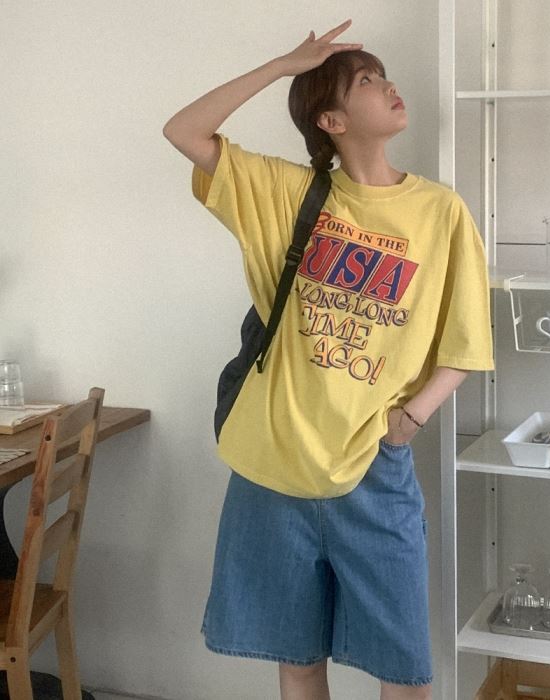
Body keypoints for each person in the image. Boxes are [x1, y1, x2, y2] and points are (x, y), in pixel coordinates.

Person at [163, 19, 494, 700]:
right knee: (298, 660)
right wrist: (283, 65)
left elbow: (465, 343)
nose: (389, 86)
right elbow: (184, 130)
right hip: (273, 464)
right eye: (367, 80)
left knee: (404, 670)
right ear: (332, 120)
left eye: (383, 75)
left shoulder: (441, 212)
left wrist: (410, 419)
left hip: (373, 465)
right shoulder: (288, 194)